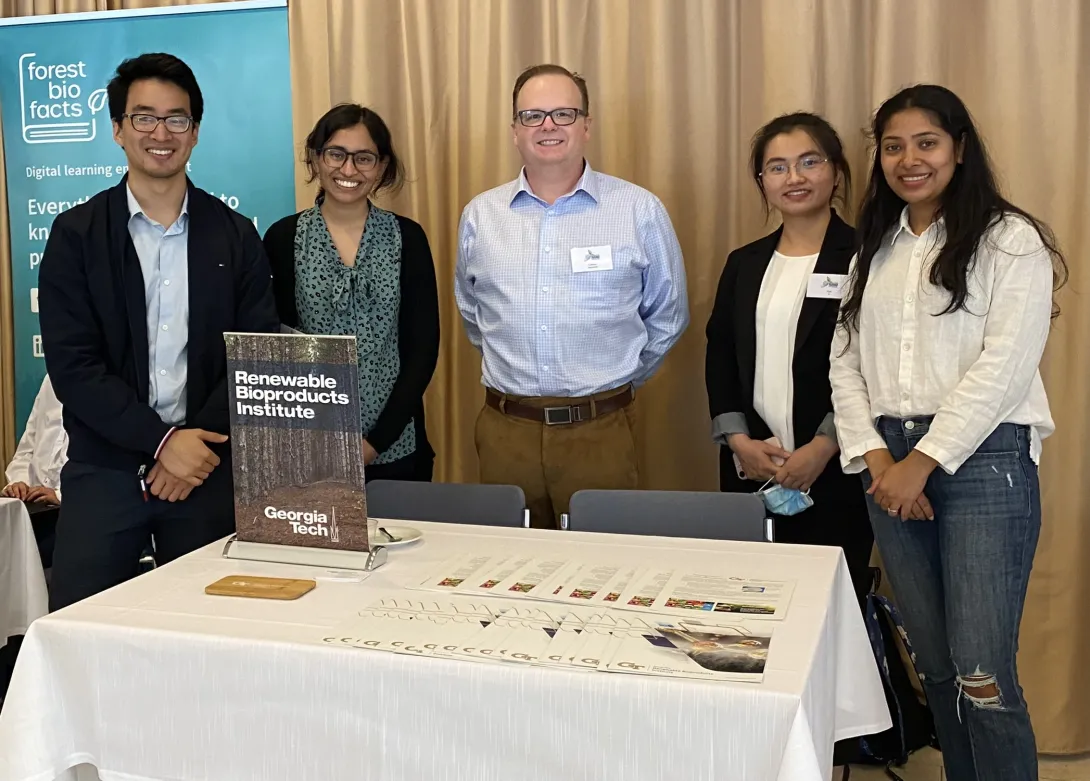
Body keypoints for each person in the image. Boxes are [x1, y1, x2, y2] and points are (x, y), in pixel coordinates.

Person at [829, 84, 1066, 781]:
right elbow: (843, 360)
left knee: (980, 667)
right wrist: (879, 458)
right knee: (934, 665)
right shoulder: (875, 246)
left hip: (984, 461)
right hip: (887, 459)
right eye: (894, 146)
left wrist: (923, 461)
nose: (909, 159)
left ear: (959, 149)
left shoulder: (1007, 238)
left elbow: (1007, 365)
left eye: (926, 143)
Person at [37, 53, 280, 612]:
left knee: (213, 633)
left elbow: (255, 353)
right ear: (118, 128)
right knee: (84, 629)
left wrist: (191, 446)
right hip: (106, 471)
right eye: (144, 118)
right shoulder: (77, 234)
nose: (161, 133)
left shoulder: (236, 235)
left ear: (195, 132)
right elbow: (75, 365)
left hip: (208, 468)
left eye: (178, 119)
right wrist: (161, 443)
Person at [705, 113, 874, 781]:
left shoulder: (868, 256)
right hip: (751, 467)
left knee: (826, 627)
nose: (793, 177)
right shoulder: (745, 262)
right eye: (777, 166)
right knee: (751, 621)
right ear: (761, 182)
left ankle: (826, 760)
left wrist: (825, 446)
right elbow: (720, 355)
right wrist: (736, 437)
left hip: (835, 471)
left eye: (808, 162)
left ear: (835, 172)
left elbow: (875, 365)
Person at [455, 64, 689, 528]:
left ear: (586, 125)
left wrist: (616, 379)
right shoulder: (481, 215)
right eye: (532, 115)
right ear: (514, 131)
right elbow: (474, 314)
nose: (548, 126)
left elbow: (668, 314)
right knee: (508, 570)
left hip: (599, 430)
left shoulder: (638, 210)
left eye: (563, 113)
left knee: (603, 570)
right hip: (506, 430)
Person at [263, 105, 439, 481]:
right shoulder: (282, 238)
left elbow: (422, 350)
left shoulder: (407, 238)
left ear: (381, 166)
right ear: (315, 159)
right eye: (336, 154)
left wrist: (374, 442)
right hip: (307, 447)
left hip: (396, 446)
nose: (348, 170)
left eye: (363, 158)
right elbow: (275, 349)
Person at [3, 374, 67, 568]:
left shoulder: (114, 381)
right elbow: (26, 449)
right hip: (31, 506)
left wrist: (60, 495)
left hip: (71, 511)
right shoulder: (51, 379)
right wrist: (19, 482)